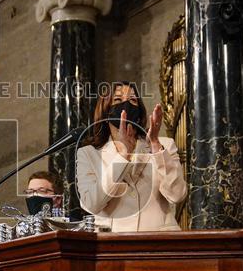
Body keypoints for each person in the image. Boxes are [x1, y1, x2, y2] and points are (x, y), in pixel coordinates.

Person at [75, 82, 187, 231]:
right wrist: (122, 155)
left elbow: (177, 195)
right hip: (112, 244)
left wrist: (155, 145)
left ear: (139, 111)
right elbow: (91, 204)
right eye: (118, 100)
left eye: (133, 100)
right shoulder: (88, 154)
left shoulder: (164, 145)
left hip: (159, 243)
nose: (126, 105)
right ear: (105, 111)